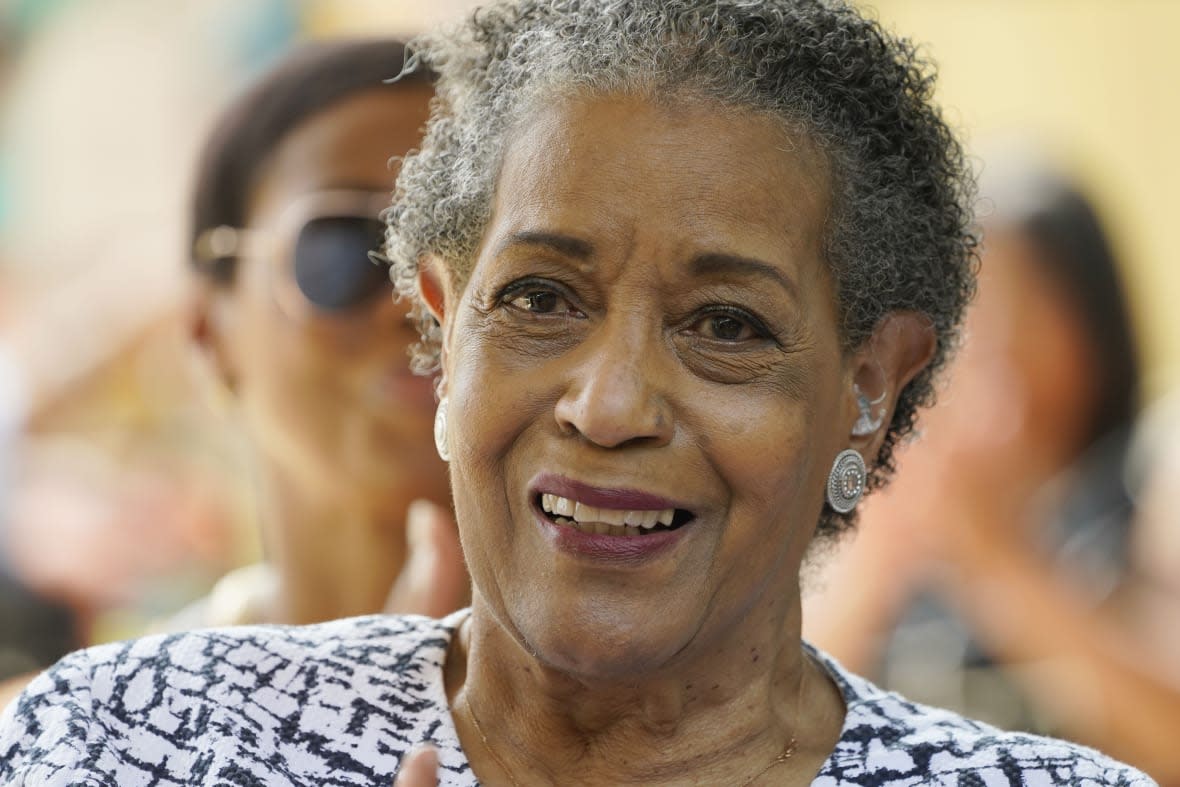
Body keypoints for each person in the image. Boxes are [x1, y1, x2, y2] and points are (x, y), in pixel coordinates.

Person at [0, 2, 1153, 784]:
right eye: (542, 299)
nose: (608, 405)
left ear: (868, 387)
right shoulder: (133, 737)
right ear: (445, 336)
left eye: (725, 325)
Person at [803, 157, 1180, 781]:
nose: (989, 345)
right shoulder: (884, 488)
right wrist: (883, 555)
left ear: (1090, 318)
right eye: (959, 318)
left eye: (1020, 309)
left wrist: (993, 562)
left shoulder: (1150, 481)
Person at [177, 38, 465, 628]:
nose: (419, 302)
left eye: (472, 247)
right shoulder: (97, 713)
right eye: (347, 246)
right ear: (210, 333)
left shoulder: (685, 707)